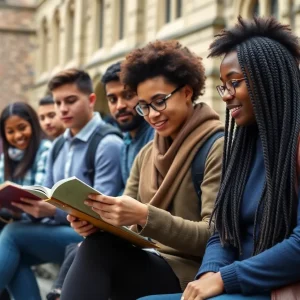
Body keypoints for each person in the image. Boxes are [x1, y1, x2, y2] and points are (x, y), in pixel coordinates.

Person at [139, 16, 300, 300]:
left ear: (267, 79)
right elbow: (223, 232)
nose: (226, 96)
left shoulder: (294, 146)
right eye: (223, 86)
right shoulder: (243, 146)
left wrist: (225, 279)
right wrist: (208, 276)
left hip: (275, 289)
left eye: (234, 82)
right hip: (236, 285)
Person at [60, 40, 224, 300]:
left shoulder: (217, 146)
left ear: (188, 92)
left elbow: (214, 236)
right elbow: (127, 227)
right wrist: (96, 223)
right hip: (148, 258)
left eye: (159, 101)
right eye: (144, 106)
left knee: (96, 252)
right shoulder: (146, 153)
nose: (151, 115)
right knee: (93, 244)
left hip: (191, 273)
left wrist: (145, 215)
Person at [0, 69, 124, 300]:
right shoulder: (58, 146)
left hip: (93, 238)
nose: (62, 109)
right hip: (62, 230)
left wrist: (52, 211)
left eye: (70, 101)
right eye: (58, 103)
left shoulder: (107, 143)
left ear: (91, 100)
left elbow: (104, 214)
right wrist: (30, 207)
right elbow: (45, 193)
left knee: (12, 235)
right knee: (13, 255)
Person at [46, 61, 154, 300]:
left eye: (128, 96)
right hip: (114, 235)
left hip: (155, 248)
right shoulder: (127, 143)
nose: (120, 105)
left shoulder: (113, 142)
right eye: (113, 99)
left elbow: (108, 204)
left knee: (88, 247)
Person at [0, 102, 51, 300]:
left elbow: (40, 194)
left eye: (22, 128)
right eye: (10, 131)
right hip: (16, 220)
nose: (18, 136)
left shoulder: (45, 150)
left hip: (41, 223)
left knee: (10, 238)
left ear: (33, 125)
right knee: (13, 257)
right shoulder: (6, 157)